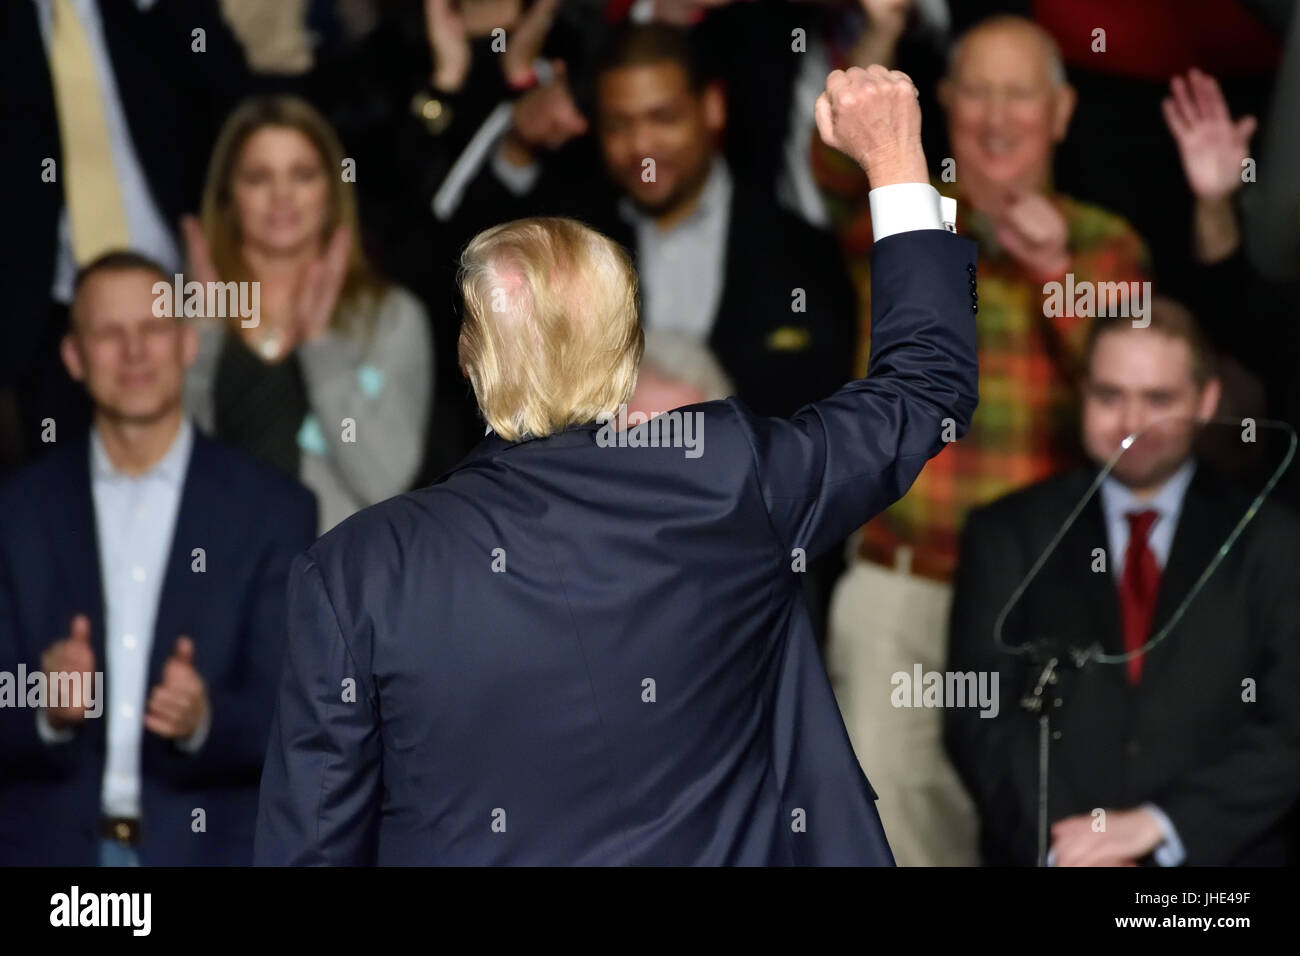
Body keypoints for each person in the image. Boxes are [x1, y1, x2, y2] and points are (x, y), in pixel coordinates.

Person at [254, 65, 980, 865]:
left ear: (468, 361)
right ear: (628, 355)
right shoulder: (722, 480)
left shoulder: (356, 572)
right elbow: (925, 389)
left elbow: (311, 851)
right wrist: (895, 157)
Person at [813, 14, 1149, 866]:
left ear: (1061, 112)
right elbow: (833, 161)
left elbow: (1139, 420)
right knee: (887, 836)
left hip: (1041, 605)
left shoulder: (1106, 243)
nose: (997, 118)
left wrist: (1056, 278)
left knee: (1049, 827)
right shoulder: (900, 217)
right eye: (978, 94)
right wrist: (877, 41)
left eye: (1019, 95)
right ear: (945, 105)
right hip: (902, 589)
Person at [946, 300, 1300, 866]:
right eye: (1110, 396)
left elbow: (1289, 726)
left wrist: (1162, 826)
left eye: (1158, 399)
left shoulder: (1274, 542)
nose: (1132, 424)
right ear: (1081, 394)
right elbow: (980, 714)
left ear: (1206, 401)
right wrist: (1073, 848)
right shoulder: (1007, 533)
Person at [0, 251, 316, 866]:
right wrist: (43, 706)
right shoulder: (17, 513)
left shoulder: (274, 512)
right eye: (109, 333)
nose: (134, 352)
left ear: (187, 343)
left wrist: (204, 720)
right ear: (73, 356)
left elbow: (295, 717)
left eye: (152, 328)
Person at [448, 22, 859, 422]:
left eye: (663, 118)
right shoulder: (571, 237)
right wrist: (518, 146)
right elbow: (467, 291)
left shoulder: (798, 247)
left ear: (712, 108)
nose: (642, 146)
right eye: (619, 124)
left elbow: (824, 412)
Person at [0, 0, 253, 470]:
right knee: (68, 490)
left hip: (193, 287)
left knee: (227, 466)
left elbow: (236, 97)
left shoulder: (149, 12)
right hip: (49, 316)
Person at [183, 95, 434, 533]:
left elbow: (386, 481)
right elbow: (160, 470)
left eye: (302, 175)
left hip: (333, 568)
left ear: (332, 192)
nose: (282, 196)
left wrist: (321, 347)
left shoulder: (391, 318)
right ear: (228, 196)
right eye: (258, 177)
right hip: (213, 562)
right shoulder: (187, 315)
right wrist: (200, 335)